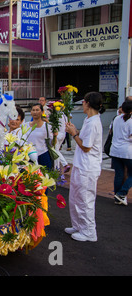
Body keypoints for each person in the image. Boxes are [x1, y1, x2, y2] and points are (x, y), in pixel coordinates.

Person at [65, 91, 105, 242]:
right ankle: (78, 225)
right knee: (75, 197)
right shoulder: (90, 120)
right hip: (81, 164)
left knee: (85, 199)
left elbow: (86, 147)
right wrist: (75, 131)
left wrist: (73, 134)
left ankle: (89, 231)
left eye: (83, 102)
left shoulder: (94, 122)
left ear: (88, 103)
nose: (82, 104)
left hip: (88, 167)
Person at [109, 101, 132, 206]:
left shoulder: (116, 118)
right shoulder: (130, 121)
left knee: (119, 174)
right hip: (127, 151)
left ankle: (118, 197)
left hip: (114, 150)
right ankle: (122, 193)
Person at [24, 103, 54, 172]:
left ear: (42, 112)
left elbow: (52, 143)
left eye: (37, 110)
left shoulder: (47, 126)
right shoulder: (26, 126)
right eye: (33, 110)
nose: (35, 112)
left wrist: (55, 136)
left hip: (43, 154)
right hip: (29, 156)